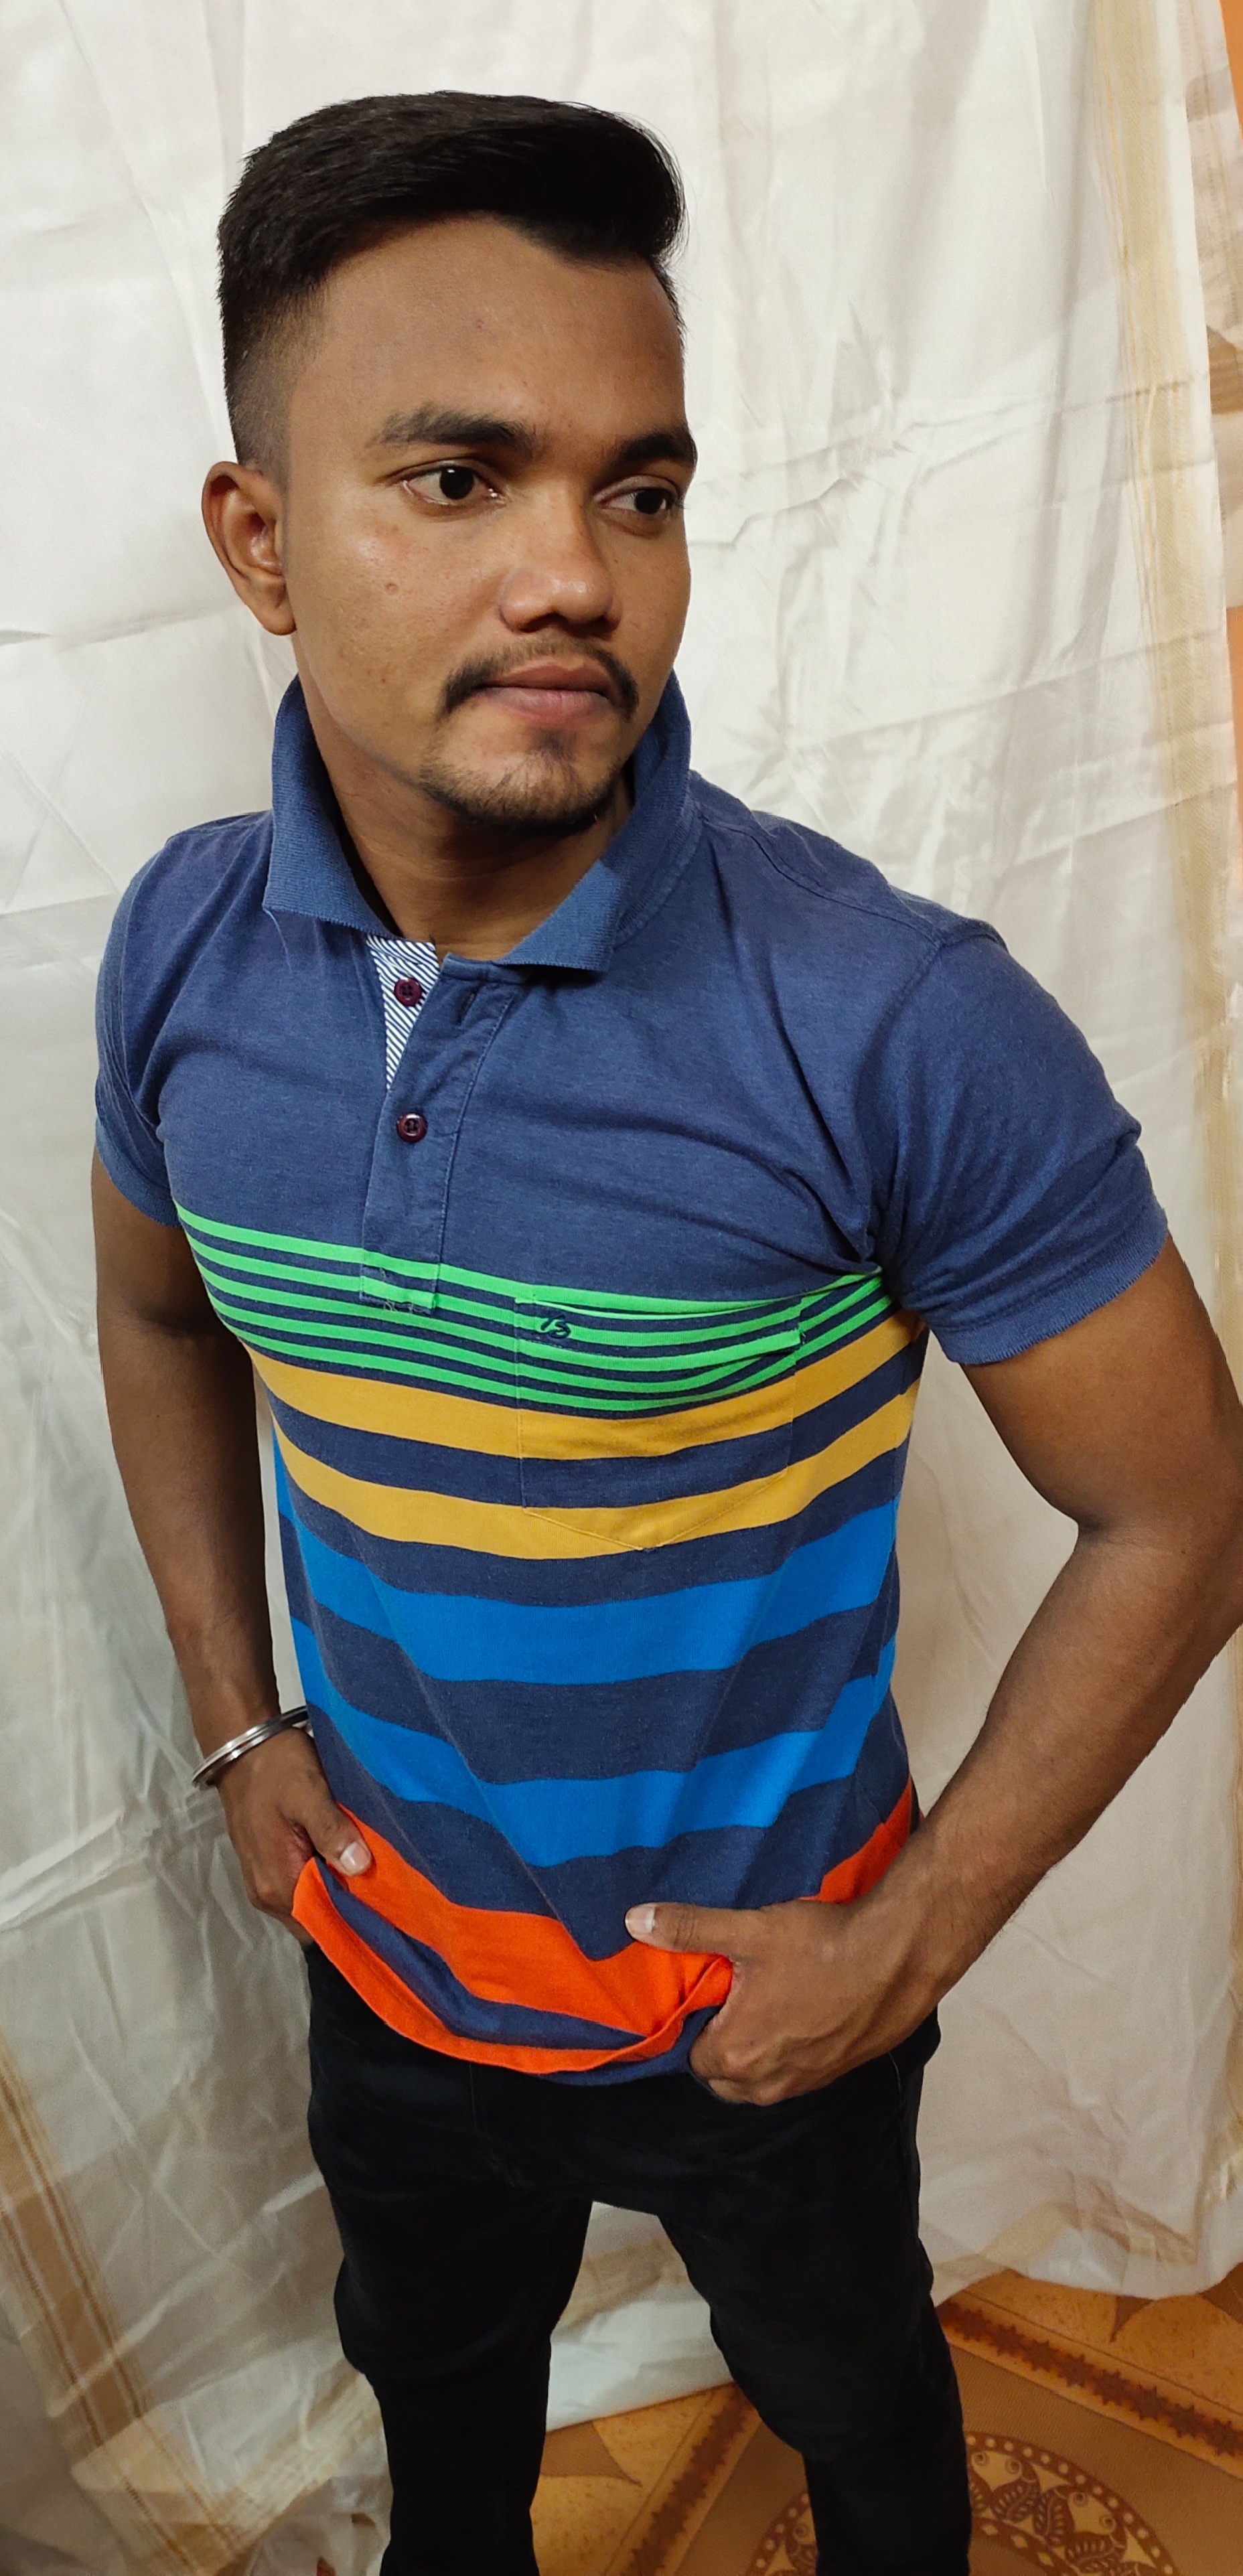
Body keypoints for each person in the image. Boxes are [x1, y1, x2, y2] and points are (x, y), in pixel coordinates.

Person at [91, 89, 1243, 2576]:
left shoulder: (890, 1017)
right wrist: (236, 1720)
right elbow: (163, 1313)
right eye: (459, 480)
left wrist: (906, 1937)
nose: (577, 578)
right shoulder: (179, 949)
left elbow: (1183, 1506)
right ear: (259, 543)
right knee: (445, 2427)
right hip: (389, 1965)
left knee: (859, 2414)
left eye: (639, 491)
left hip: (763, 2016)